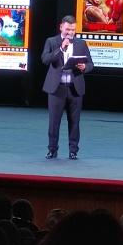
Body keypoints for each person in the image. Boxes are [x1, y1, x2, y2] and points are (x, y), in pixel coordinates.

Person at [41, 15, 93, 160]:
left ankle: (73, 150)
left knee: (74, 121)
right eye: (68, 29)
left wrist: (84, 67)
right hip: (56, 88)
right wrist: (60, 48)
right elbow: (45, 59)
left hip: (74, 88)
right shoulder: (52, 41)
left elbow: (90, 64)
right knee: (54, 121)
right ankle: (52, 150)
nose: (70, 32)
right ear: (61, 27)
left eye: (73, 30)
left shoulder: (81, 44)